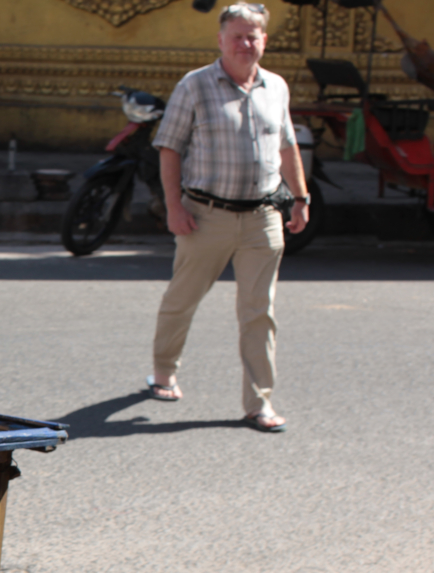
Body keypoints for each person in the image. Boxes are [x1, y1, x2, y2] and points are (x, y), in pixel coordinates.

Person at [145, 2, 308, 433]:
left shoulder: (276, 87)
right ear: (220, 40)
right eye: (236, 36)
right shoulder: (195, 86)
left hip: (262, 215)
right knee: (183, 298)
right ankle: (163, 371)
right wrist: (174, 206)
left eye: (252, 36)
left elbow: (288, 146)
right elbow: (170, 147)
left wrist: (302, 198)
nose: (244, 44)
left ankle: (259, 403)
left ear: (264, 41)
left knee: (259, 311)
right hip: (205, 214)